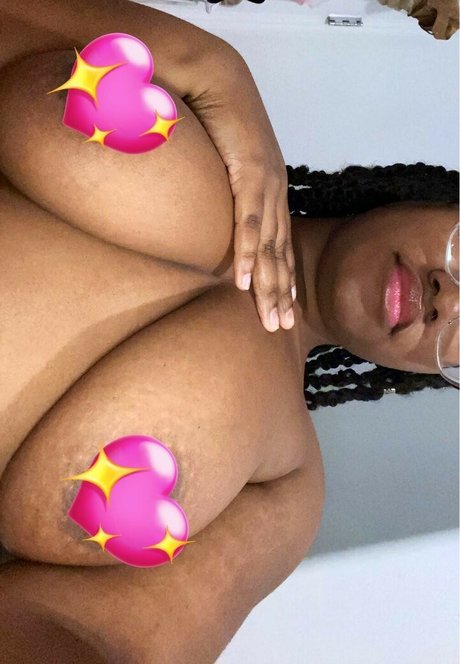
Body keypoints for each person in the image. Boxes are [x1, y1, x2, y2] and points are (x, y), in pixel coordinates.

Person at [0, 4, 458, 664]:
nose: (449, 298)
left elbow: (109, 640)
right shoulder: (216, 103)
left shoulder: (287, 484)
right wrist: (211, 64)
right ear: (432, 195)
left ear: (432, 378)